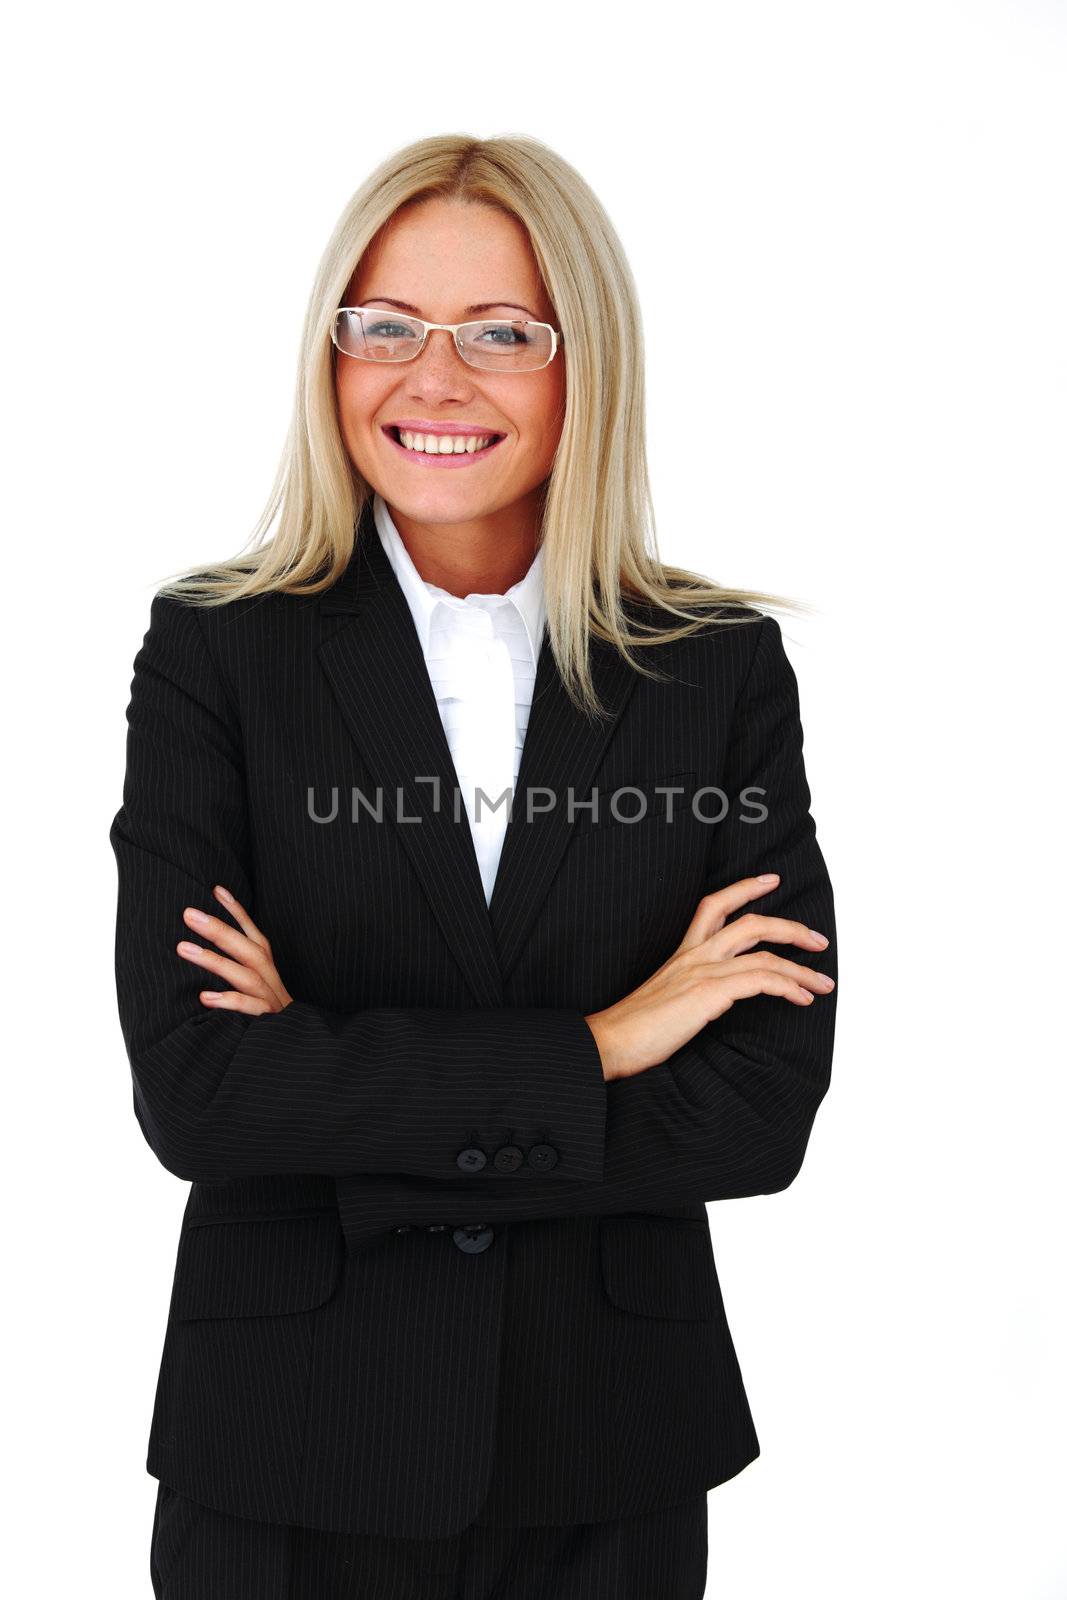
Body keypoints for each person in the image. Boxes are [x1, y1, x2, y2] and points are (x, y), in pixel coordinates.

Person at [111, 133, 838, 1600]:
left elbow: (758, 1112)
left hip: (611, 1455)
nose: (430, 379)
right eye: (385, 327)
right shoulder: (218, 653)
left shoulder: (713, 673)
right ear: (334, 359)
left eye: (502, 333)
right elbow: (196, 1093)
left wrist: (333, 1097)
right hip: (288, 1450)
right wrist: (605, 1045)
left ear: (585, 370)